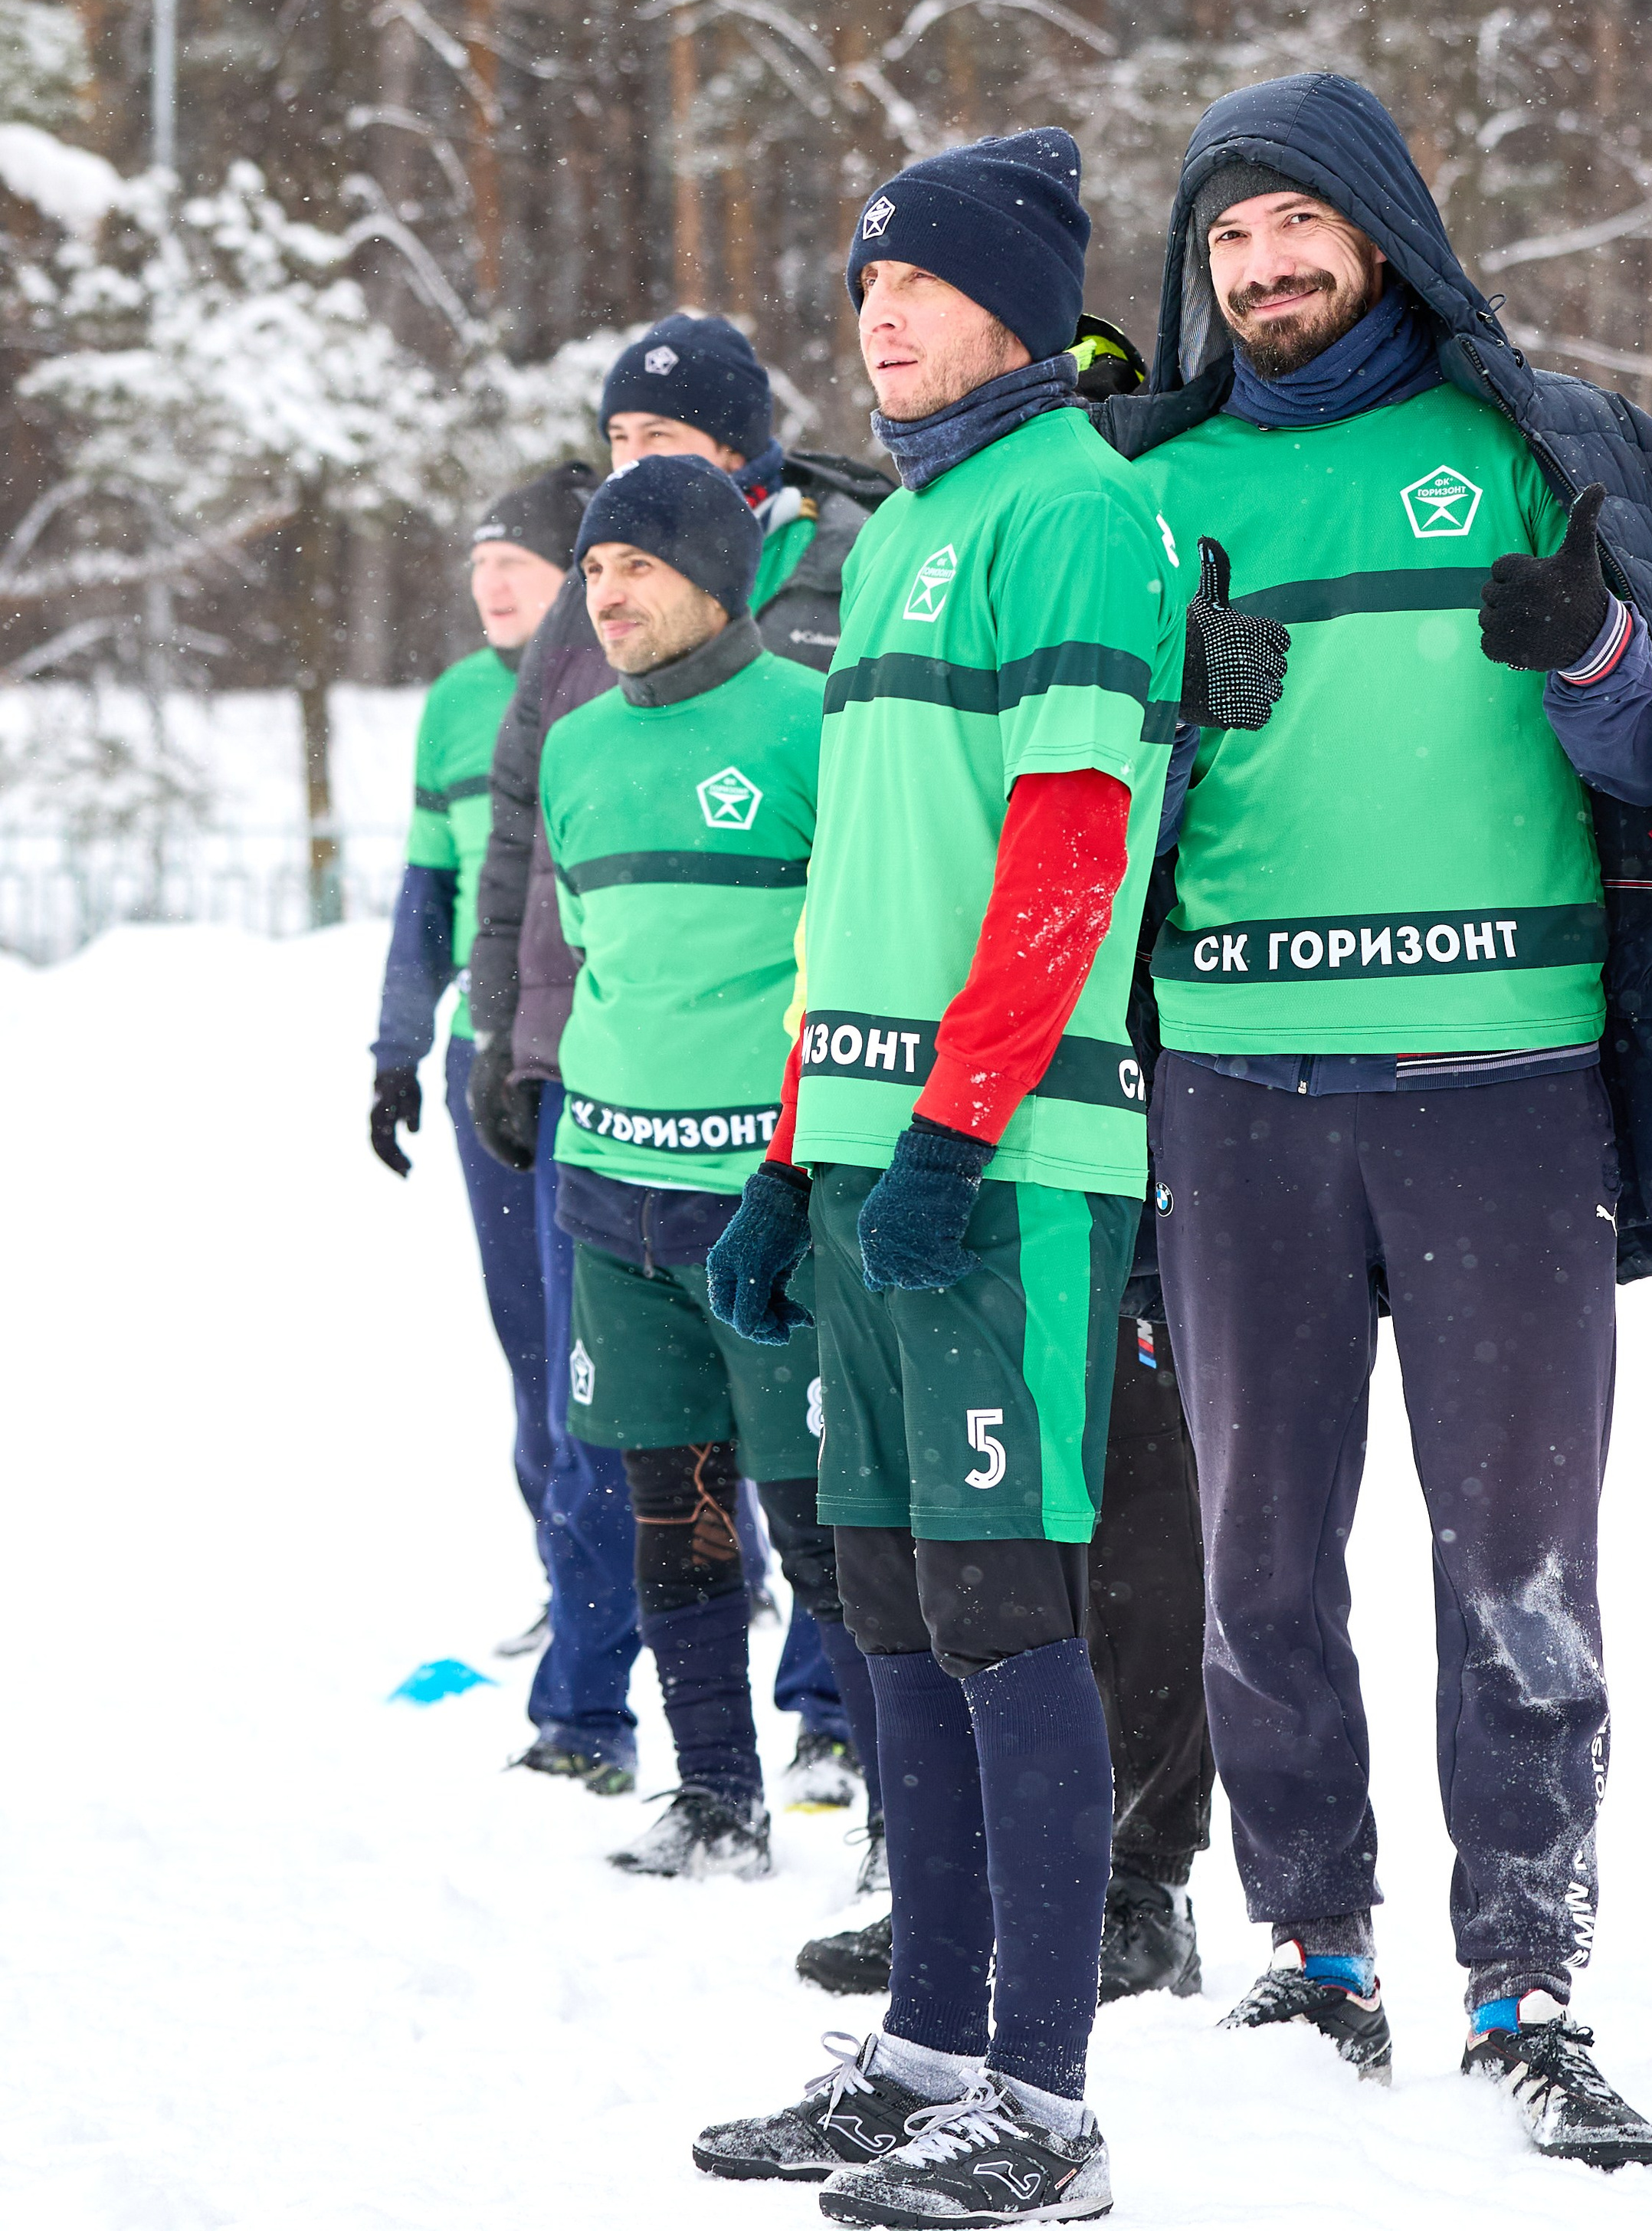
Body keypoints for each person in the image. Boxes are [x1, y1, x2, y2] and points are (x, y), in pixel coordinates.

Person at [1093, 71, 1652, 2169]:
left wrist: (1599, 652)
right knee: (1259, 1547)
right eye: (1225, 245)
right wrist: (1177, 711)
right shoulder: (1144, 496)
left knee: (1517, 1553)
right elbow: (1080, 817)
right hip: (1238, 1089)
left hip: (1497, 1090)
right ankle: (1314, 1952)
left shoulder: (1535, 452)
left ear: (1378, 231)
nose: (1260, 272)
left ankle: (1528, 1980)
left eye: (1293, 232)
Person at [691, 130, 1191, 2228]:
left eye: (919, 284)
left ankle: (1047, 2110)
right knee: (890, 1613)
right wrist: (798, 1150)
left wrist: (961, 1129)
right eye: (862, 288)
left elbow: (1071, 851)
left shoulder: (1079, 511)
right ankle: (923, 2051)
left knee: (1004, 1621)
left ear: (1021, 304)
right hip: (875, 1157)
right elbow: (857, 886)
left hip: (1012, 1166)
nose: (876, 316)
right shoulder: (906, 531)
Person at [468, 315, 887, 1797]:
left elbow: (863, 943)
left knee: (824, 1510)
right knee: (669, 1501)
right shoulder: (579, 739)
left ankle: (874, 1785)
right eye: (592, 566)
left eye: (633, 564)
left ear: (713, 571)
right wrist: (517, 1055)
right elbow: (556, 927)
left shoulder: (811, 721)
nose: (604, 595)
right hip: (613, 1180)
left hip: (765, 1184)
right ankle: (715, 1791)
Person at [367, 464, 591, 1651]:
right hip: (484, 1056)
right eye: (479, 562)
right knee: (528, 1332)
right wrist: (398, 1048)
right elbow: (427, 886)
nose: (491, 584)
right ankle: (569, 1571)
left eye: (518, 562)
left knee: (622, 1334)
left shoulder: (622, 677)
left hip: (603, 1056)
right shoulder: (456, 700)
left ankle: (718, 1555)